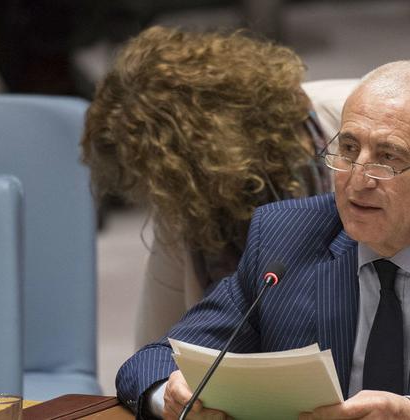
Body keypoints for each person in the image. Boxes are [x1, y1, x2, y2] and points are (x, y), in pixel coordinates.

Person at [116, 59, 410, 419]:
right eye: (348, 149)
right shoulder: (286, 238)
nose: (357, 179)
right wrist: (168, 395)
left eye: (388, 157)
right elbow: (153, 361)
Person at [80, 26, 333, 347]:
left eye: (166, 176)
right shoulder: (189, 203)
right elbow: (153, 351)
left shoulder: (348, 131)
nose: (158, 193)